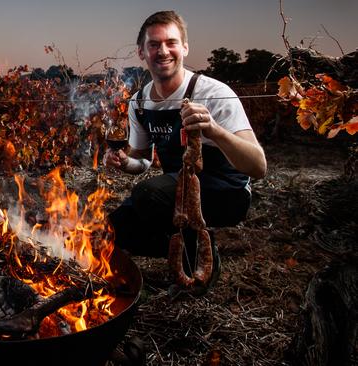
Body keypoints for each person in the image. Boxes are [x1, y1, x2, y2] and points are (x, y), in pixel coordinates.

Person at [105, 11, 267, 291]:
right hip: (176, 190)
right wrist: (124, 162)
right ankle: (180, 247)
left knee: (148, 195)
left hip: (226, 191)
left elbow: (258, 167)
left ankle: (201, 262)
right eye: (153, 44)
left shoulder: (213, 93)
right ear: (141, 52)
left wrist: (214, 130)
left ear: (185, 48)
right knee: (112, 231)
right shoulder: (140, 102)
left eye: (171, 42)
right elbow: (142, 161)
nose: (163, 51)